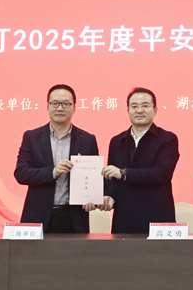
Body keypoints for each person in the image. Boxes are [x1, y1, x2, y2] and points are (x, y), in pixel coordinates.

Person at [14, 84, 99, 233]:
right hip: (37, 216)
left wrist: (92, 198)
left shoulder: (87, 139)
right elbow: (21, 173)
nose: (60, 108)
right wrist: (53, 172)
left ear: (74, 108)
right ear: (48, 107)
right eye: (55, 103)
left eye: (66, 104)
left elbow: (93, 177)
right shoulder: (32, 137)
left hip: (73, 218)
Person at [96, 87, 179, 234]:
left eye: (145, 105)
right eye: (134, 106)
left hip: (157, 218)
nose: (139, 110)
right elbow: (111, 177)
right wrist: (109, 196)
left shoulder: (167, 139)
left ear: (155, 110)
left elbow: (161, 173)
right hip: (124, 221)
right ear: (128, 110)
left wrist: (123, 173)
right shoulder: (117, 141)